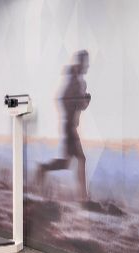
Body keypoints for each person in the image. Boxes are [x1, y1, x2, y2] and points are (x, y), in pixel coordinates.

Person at [39, 50, 91, 201]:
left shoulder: (79, 81)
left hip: (70, 126)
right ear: (81, 63)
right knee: (81, 159)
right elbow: (62, 99)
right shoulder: (75, 81)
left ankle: (43, 168)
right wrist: (71, 112)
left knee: (67, 163)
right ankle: (83, 197)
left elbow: (78, 105)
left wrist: (85, 101)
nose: (87, 66)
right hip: (69, 127)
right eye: (86, 62)